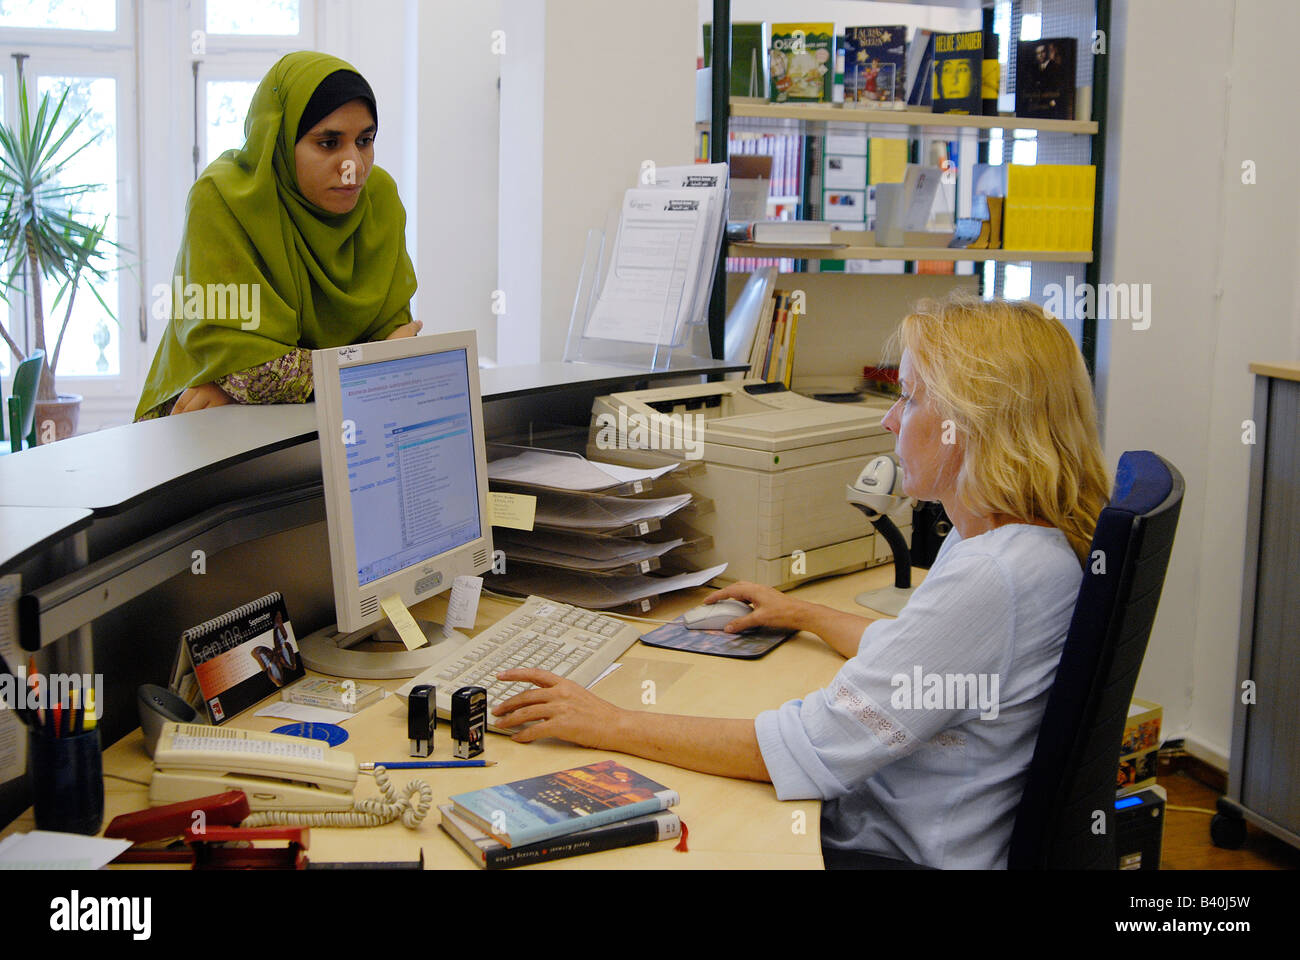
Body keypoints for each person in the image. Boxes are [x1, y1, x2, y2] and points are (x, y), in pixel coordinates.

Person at [491, 294, 1111, 869]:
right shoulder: (1020, 543)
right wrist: (806, 616)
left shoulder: (992, 576)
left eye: (913, 400)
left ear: (972, 424)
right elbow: (918, 662)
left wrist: (608, 722)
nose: (891, 421)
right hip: (907, 825)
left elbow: (800, 749)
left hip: (894, 854)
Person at [135, 51, 420, 421]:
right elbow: (238, 366)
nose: (354, 165)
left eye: (365, 140)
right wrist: (363, 367)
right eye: (329, 143)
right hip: (203, 430)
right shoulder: (223, 199)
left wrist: (256, 384)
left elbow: (400, 346)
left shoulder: (377, 198)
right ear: (278, 141)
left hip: (342, 431)